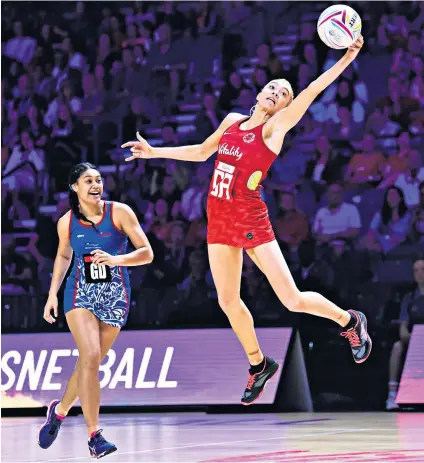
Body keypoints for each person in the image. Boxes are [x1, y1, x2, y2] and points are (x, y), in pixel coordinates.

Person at [122, 35, 372, 406]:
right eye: (272, 86)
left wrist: (347, 58)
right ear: (259, 94)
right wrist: (154, 151)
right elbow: (202, 151)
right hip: (219, 219)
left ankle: (349, 322)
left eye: (283, 92)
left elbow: (313, 90)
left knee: (291, 299)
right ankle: (259, 364)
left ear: (284, 106)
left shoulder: (273, 130)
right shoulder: (232, 121)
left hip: (250, 218)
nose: (277, 92)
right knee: (228, 301)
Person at [38, 163, 154, 457]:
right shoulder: (66, 222)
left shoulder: (120, 213)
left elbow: (147, 253)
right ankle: (95, 436)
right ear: (75, 187)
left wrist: (117, 260)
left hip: (115, 296)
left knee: (90, 364)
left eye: (99, 180)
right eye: (88, 180)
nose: (95, 185)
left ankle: (60, 410)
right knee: (89, 356)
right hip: (80, 294)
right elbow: (64, 254)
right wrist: (53, 293)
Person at [386, 257, 424, 410]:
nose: (419, 274)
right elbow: (403, 326)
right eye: (416, 271)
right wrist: (408, 335)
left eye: (423, 270)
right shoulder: (409, 298)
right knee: (396, 347)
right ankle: (392, 396)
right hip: (414, 340)